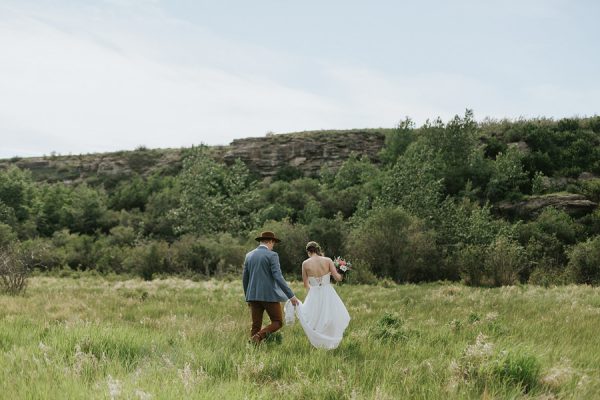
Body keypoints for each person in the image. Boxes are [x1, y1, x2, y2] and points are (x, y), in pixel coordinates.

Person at [287, 241, 350, 349]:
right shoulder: (328, 260)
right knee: (330, 318)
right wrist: (343, 271)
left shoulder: (305, 264)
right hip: (328, 292)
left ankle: (317, 343)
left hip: (314, 293)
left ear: (308, 251)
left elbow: (306, 285)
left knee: (314, 319)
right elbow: (337, 278)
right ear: (317, 249)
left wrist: (315, 289)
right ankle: (329, 342)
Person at [242, 231, 300, 344]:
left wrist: (247, 296)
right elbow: (278, 277)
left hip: (253, 296)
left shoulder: (249, 255)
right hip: (269, 295)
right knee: (277, 322)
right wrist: (291, 296)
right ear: (270, 241)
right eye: (273, 243)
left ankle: (253, 350)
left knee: (255, 325)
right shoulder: (272, 255)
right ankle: (258, 337)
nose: (273, 246)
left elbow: (245, 279)